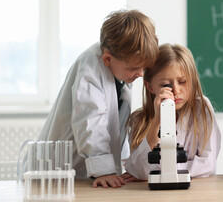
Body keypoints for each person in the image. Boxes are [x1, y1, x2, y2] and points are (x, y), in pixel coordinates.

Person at [33, 9, 159, 188]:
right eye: (134, 68)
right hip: (58, 173)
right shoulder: (90, 69)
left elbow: (115, 123)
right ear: (107, 59)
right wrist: (104, 170)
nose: (140, 74)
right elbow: (91, 124)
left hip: (85, 172)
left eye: (144, 67)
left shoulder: (120, 68)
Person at [122, 44, 221, 181]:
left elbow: (207, 165)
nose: (176, 90)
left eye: (183, 81)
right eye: (165, 85)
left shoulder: (202, 109)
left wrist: (160, 171)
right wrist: (157, 121)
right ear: (150, 86)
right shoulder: (138, 120)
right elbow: (140, 171)